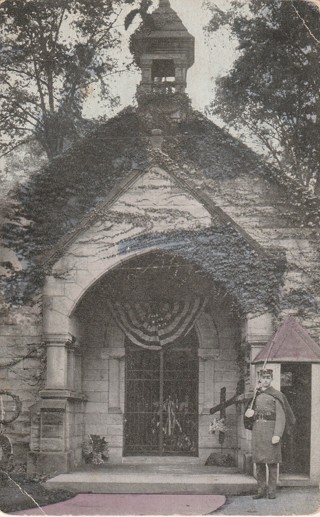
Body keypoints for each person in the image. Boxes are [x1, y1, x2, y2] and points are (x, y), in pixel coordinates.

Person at [244, 368, 295, 500]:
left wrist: (277, 434)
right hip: (258, 430)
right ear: (259, 379)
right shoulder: (256, 395)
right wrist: (251, 414)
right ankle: (261, 490)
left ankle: (272, 491)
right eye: (263, 378)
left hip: (271, 431)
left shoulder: (276, 395)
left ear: (271, 380)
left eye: (268, 378)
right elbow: (252, 413)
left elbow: (281, 417)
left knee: (272, 463)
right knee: (259, 463)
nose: (265, 380)